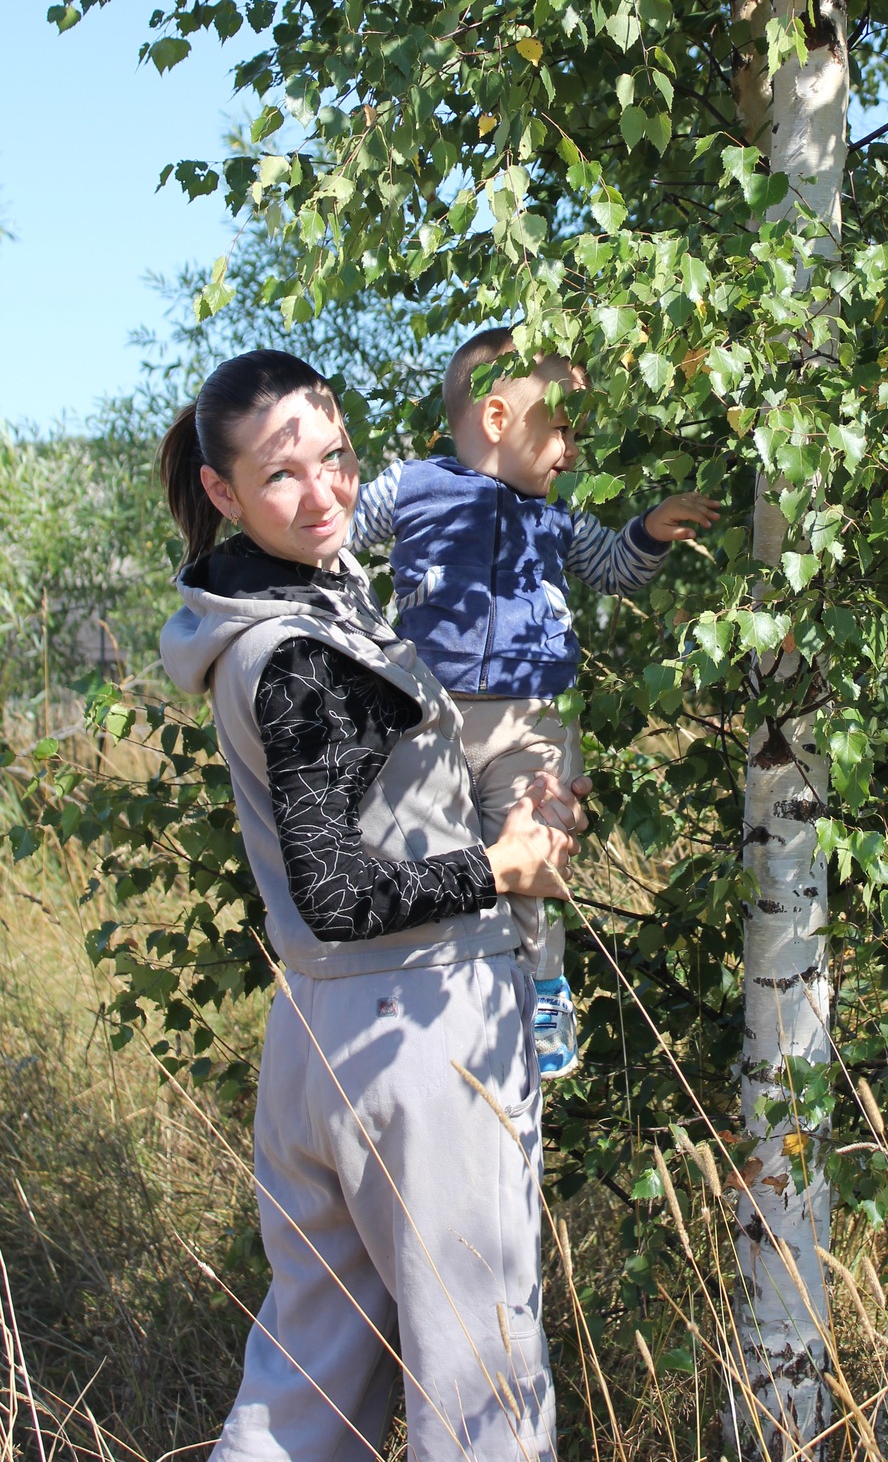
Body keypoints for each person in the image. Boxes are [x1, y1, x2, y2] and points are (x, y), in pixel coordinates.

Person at [158, 349, 586, 1462]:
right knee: (482, 1397)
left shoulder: (279, 612)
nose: (325, 492)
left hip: (320, 1041)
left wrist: (515, 806)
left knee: (306, 1394)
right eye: (282, 473)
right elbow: (339, 890)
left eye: (336, 457)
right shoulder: (299, 654)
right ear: (222, 492)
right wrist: (501, 865)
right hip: (419, 1043)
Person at [349, 327, 720, 1076]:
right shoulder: (410, 487)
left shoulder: (557, 518)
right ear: (496, 419)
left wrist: (649, 531)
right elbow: (333, 536)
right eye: (562, 429)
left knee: (536, 854)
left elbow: (615, 570)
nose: (573, 451)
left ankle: (541, 993)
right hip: (429, 719)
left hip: (531, 722)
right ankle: (437, 1004)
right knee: (435, 860)